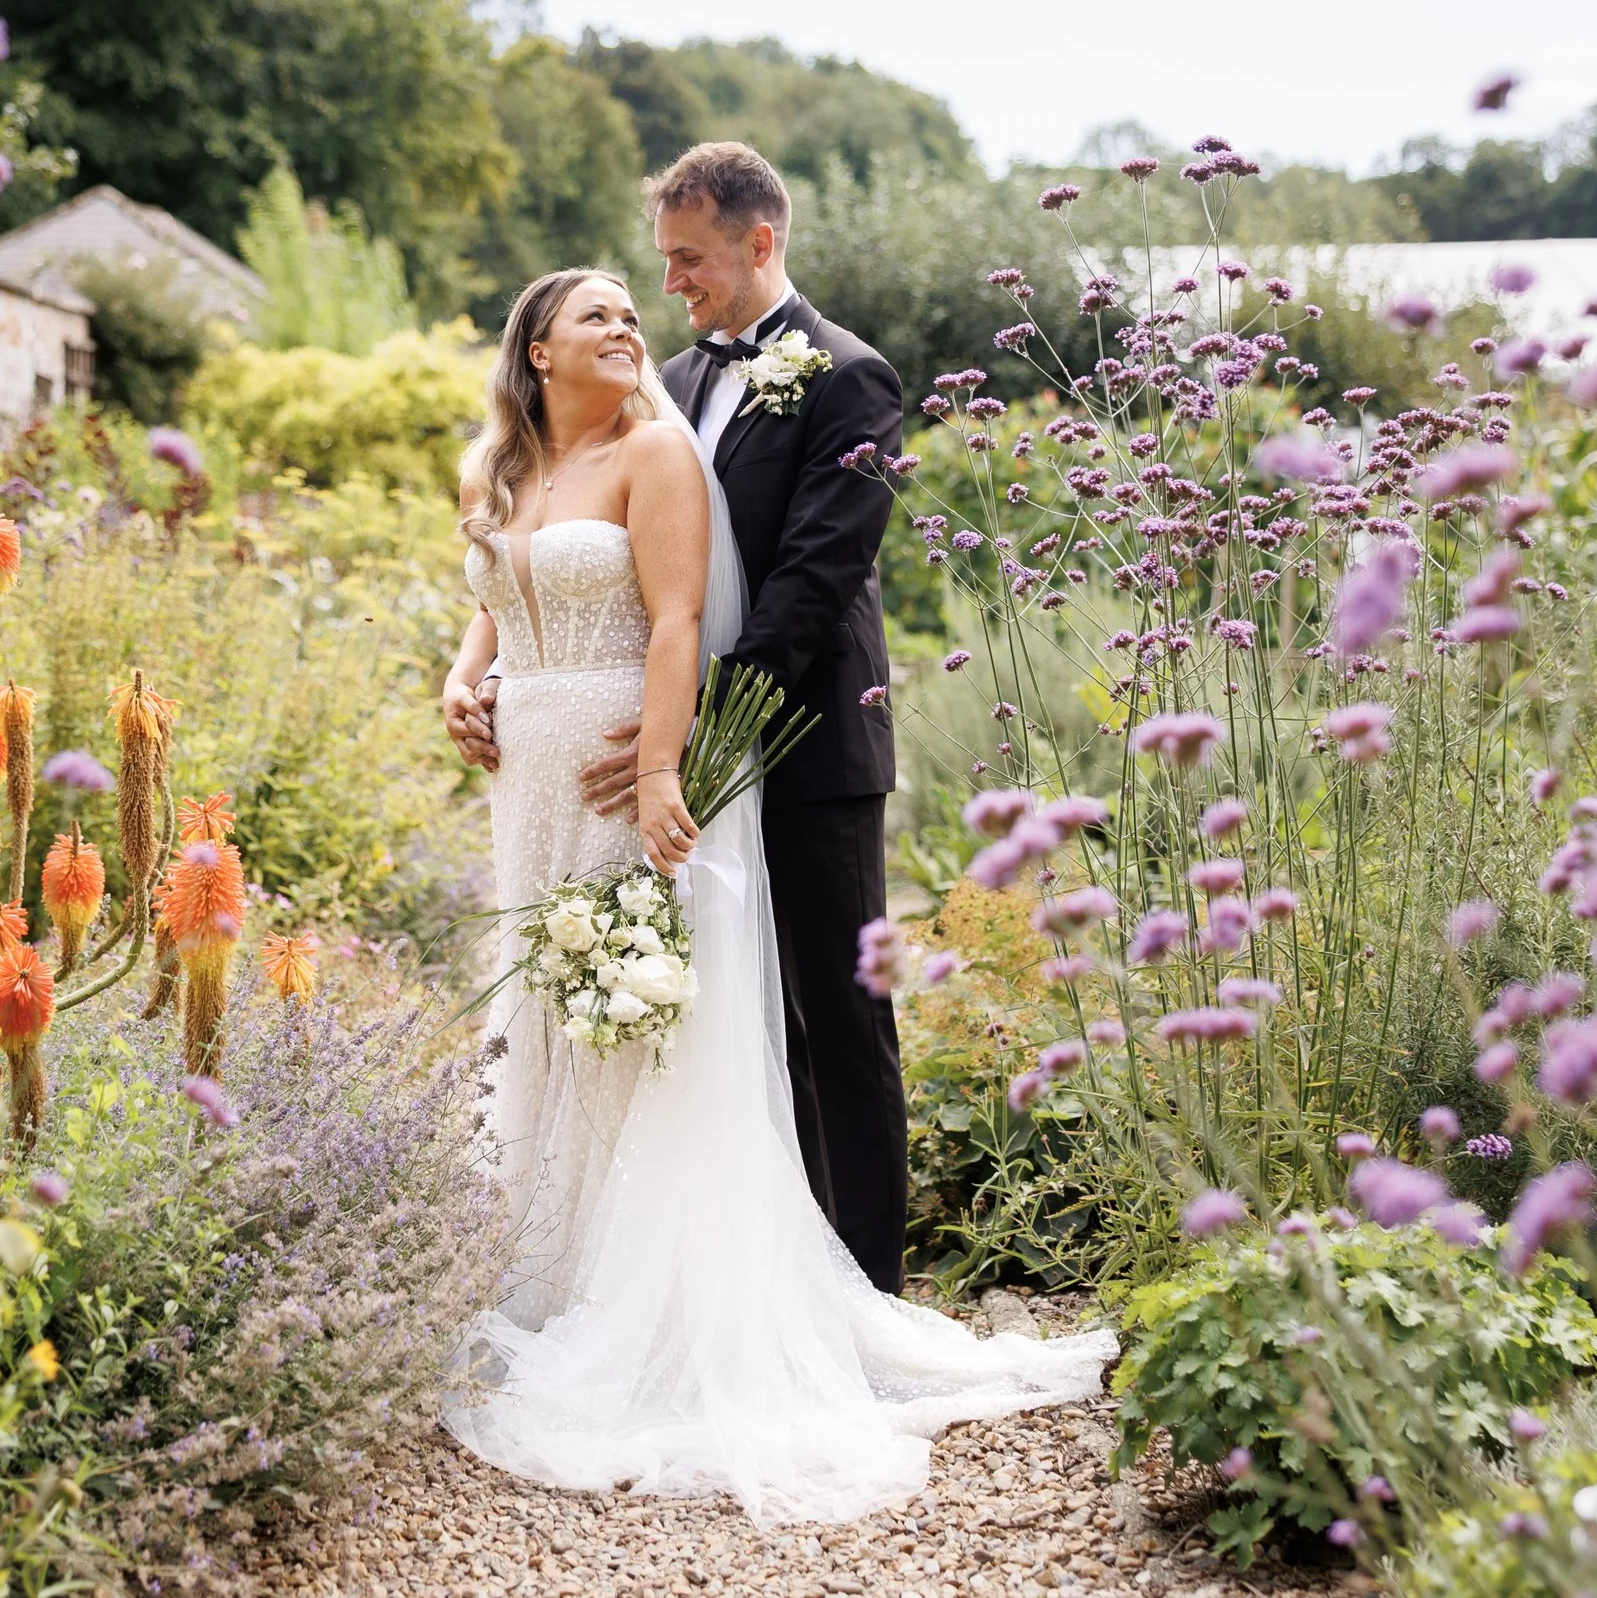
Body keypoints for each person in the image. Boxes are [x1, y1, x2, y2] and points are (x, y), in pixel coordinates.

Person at [435, 232, 1113, 1526]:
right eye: (601, 313)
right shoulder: (505, 464)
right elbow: (489, 582)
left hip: (626, 761)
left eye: (640, 304)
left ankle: (645, 1298)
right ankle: (538, 1270)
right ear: (536, 348)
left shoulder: (656, 449)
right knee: (538, 1010)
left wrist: (662, 773)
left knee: (635, 1015)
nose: (633, 322)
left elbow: (683, 617)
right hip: (524, 780)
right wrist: (462, 678)